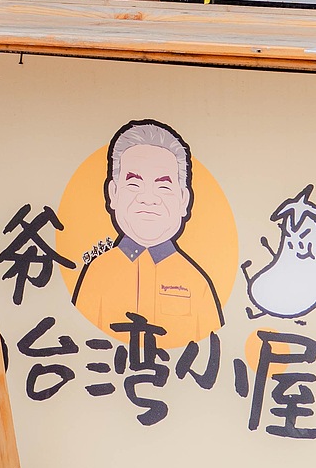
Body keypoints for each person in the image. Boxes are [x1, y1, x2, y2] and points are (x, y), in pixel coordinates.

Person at [71, 119, 223, 348]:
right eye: (134, 184)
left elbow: (214, 353)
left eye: (163, 186)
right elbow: (79, 344)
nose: (148, 198)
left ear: (184, 200)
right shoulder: (97, 274)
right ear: (113, 193)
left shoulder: (197, 283)